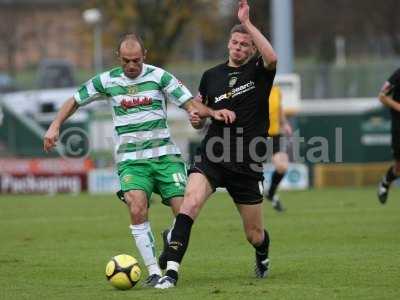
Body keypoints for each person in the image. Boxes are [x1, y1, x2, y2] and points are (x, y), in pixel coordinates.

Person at [43, 34, 235, 287]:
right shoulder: (107, 80)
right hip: (131, 161)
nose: (131, 66)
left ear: (145, 55)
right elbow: (75, 100)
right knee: (136, 206)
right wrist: (55, 125)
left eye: (136, 60)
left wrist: (207, 113)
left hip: (165, 156)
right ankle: (154, 271)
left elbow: (190, 104)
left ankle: (171, 238)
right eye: (126, 61)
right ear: (118, 58)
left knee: (185, 210)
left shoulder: (160, 77)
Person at [155, 0, 277, 289]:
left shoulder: (260, 71)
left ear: (252, 50)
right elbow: (199, 113)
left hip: (247, 162)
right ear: (228, 44)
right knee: (190, 204)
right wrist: (197, 120)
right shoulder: (211, 76)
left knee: (254, 234)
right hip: (213, 155)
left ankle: (262, 253)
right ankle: (170, 272)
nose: (238, 47)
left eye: (245, 44)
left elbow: (272, 57)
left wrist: (247, 23)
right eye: (235, 42)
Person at [264, 85, 292, 212]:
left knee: (282, 166)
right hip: (256, 135)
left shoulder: (276, 90)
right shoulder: (253, 87)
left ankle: (271, 193)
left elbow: (279, 109)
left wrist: (284, 123)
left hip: (275, 135)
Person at [377, 69, 400, 203]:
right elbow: (382, 96)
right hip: (399, 127)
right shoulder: (398, 75)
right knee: (398, 168)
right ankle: (386, 181)